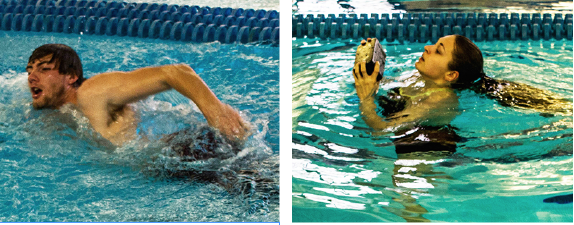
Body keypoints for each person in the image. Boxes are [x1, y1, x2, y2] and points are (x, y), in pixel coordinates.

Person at [352, 34, 571, 153]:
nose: (427, 47)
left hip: (432, 141)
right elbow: (390, 85)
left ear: (450, 75)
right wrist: (373, 73)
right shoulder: (420, 77)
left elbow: (381, 131)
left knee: (402, 184)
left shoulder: (440, 99)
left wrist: (365, 97)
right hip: (411, 117)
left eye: (438, 50)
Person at [26, 44, 250, 146]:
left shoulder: (93, 93)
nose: (32, 77)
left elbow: (175, 73)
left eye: (44, 70)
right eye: (30, 70)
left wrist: (216, 112)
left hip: (181, 155)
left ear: (71, 77)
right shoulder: (56, 109)